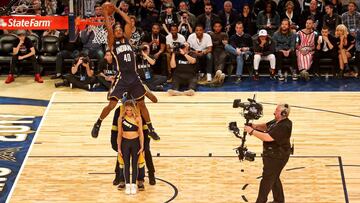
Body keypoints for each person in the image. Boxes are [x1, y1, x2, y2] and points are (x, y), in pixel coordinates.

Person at [91, 2, 160, 141]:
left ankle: (151, 128)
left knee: (141, 104)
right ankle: (98, 123)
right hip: (122, 77)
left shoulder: (127, 40)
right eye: (116, 29)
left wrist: (116, 9)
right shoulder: (112, 43)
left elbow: (128, 21)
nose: (117, 30)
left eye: (119, 29)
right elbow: (109, 29)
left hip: (134, 77)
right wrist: (105, 12)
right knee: (111, 105)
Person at [244, 103, 292, 203]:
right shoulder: (278, 121)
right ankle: (279, 201)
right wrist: (255, 126)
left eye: (277, 111)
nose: (274, 112)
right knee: (274, 177)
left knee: (266, 180)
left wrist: (252, 131)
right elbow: (266, 126)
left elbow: (268, 137)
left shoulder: (284, 125)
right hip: (272, 155)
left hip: (277, 157)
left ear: (283, 113)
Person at [117, 100, 144, 195]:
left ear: (133, 109)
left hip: (135, 142)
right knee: (126, 164)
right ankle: (127, 185)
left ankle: (134, 185)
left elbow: (141, 133)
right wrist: (119, 148)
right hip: (125, 143)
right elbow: (119, 134)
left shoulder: (138, 118)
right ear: (125, 110)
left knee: (134, 164)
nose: (129, 112)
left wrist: (142, 146)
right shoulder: (121, 119)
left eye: (130, 110)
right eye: (127, 110)